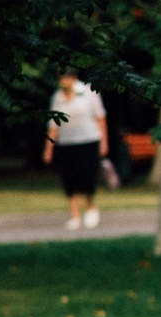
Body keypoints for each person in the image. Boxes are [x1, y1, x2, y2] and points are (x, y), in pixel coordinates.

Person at [44, 68, 111, 231]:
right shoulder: (58, 97)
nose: (63, 81)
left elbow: (100, 117)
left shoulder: (88, 92)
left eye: (66, 78)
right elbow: (53, 125)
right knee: (69, 178)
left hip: (88, 140)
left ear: (73, 78)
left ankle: (90, 207)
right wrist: (48, 148)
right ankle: (75, 215)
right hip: (66, 142)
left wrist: (104, 142)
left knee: (86, 175)